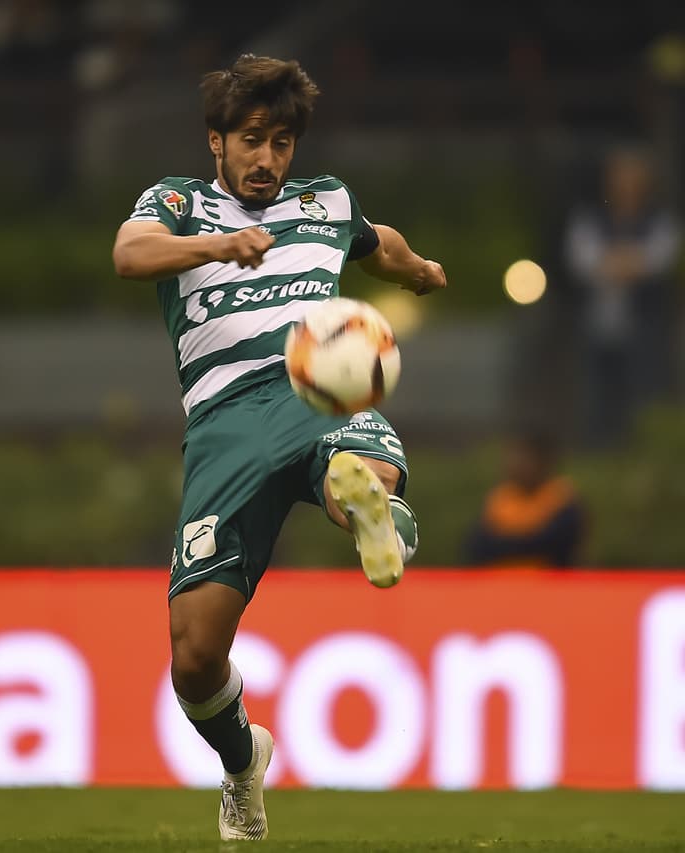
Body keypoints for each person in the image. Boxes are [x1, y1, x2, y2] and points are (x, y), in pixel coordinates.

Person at [111, 54, 445, 841]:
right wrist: (217, 248)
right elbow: (130, 254)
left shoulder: (326, 200)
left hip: (311, 387)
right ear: (216, 142)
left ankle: (376, 515)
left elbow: (378, 243)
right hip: (223, 424)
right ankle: (241, 759)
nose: (268, 159)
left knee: (351, 451)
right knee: (193, 658)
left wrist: (420, 269)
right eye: (252, 140)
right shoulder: (179, 203)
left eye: (283, 142)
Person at [561, 144, 681, 448]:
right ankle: (599, 452)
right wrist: (629, 261)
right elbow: (581, 260)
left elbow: (660, 259)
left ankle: (642, 455)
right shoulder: (590, 216)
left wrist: (611, 262)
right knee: (597, 397)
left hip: (645, 324)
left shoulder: (659, 219)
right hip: (599, 323)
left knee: (644, 393)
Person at [463, 428, 586, 567]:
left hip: (548, 584)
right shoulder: (500, 497)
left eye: (524, 458)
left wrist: (504, 542)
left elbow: (553, 544)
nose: (516, 464)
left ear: (544, 462)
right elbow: (477, 545)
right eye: (512, 457)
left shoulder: (561, 498)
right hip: (497, 584)